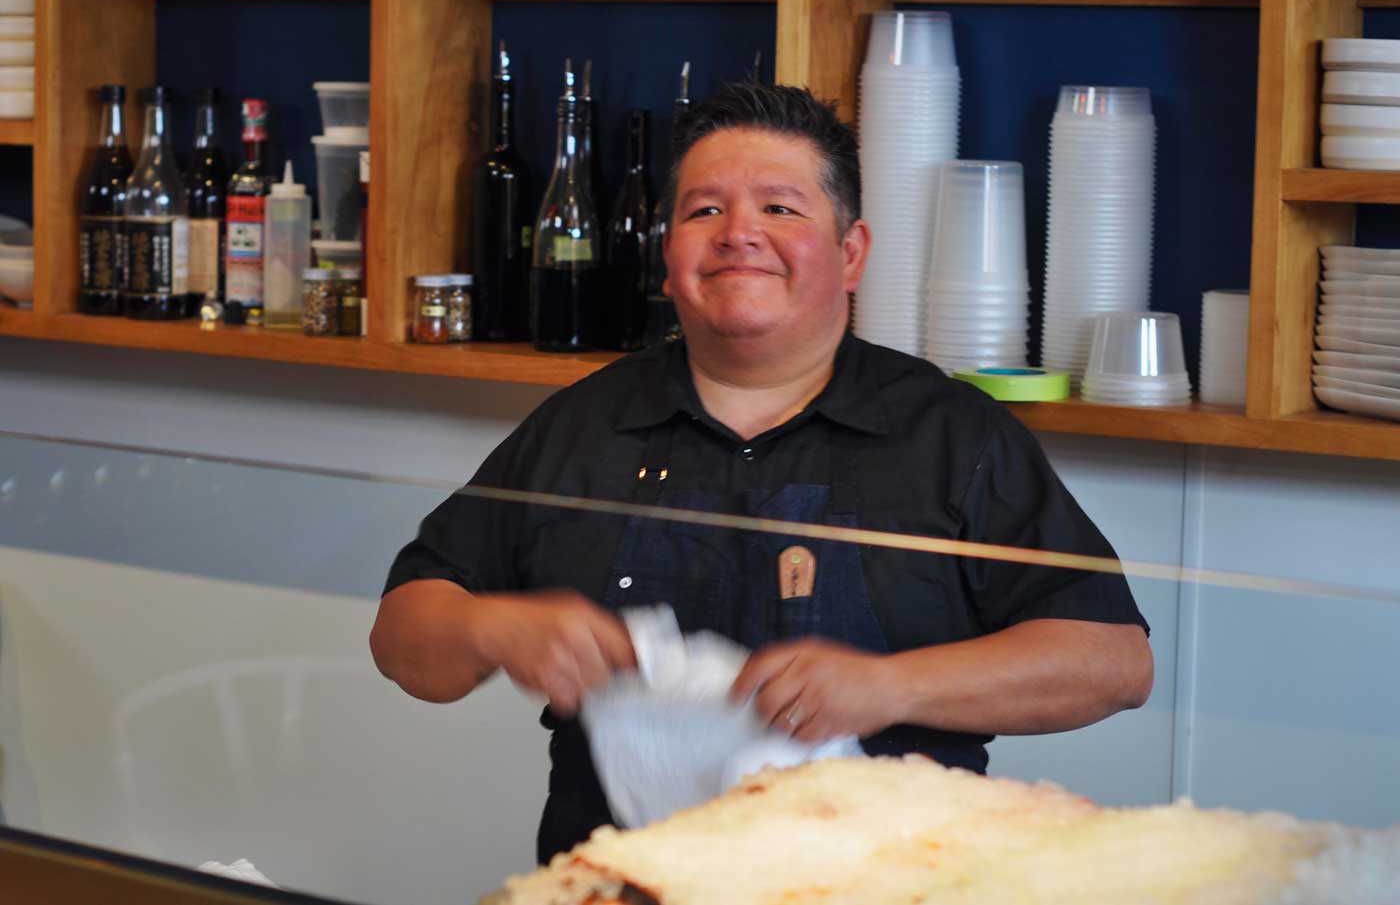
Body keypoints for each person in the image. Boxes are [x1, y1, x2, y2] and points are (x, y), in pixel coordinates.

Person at [370, 83, 1154, 864]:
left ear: (851, 254)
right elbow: (405, 640)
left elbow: (1111, 660)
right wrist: (491, 628)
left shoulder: (951, 433)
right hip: (623, 882)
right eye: (704, 210)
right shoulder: (580, 426)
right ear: (668, 257)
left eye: (780, 208)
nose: (739, 233)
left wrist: (893, 686)